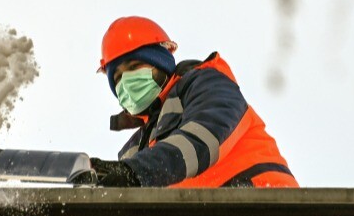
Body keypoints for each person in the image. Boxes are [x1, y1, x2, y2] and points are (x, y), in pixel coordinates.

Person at [91, 16, 299, 188]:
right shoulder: (135, 149)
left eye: (135, 66)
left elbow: (201, 140)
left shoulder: (207, 84)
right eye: (117, 77)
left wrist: (134, 171)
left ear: (161, 62)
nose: (126, 81)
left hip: (265, 202)